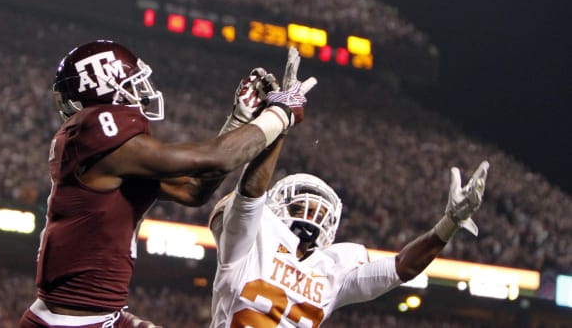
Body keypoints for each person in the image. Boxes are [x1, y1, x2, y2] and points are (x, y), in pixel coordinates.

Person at [18, 40, 316, 328]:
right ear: (104, 86)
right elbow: (216, 158)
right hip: (72, 323)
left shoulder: (108, 153)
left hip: (100, 315)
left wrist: (239, 121)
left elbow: (193, 189)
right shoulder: (101, 138)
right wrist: (280, 114)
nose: (139, 92)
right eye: (131, 83)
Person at [208, 52, 490, 327]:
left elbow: (401, 268)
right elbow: (251, 194)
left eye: (319, 212)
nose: (310, 217)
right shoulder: (250, 243)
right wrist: (282, 119)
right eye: (300, 207)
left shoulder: (332, 269)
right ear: (277, 207)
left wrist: (449, 224)